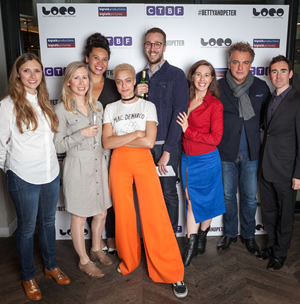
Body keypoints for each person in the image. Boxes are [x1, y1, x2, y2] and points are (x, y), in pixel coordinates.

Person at [102, 63, 188, 298]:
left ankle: (171, 271)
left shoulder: (148, 106)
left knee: (155, 214)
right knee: (124, 215)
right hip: (118, 164)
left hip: (143, 160)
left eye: (127, 80)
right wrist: (136, 134)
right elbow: (107, 143)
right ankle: (129, 260)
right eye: (118, 81)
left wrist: (121, 138)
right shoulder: (110, 108)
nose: (123, 85)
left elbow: (149, 142)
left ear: (135, 81)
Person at [0, 53, 70, 301]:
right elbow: (1, 144)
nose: (32, 76)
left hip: (50, 173)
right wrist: (10, 170)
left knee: (48, 223)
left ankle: (51, 267)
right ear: (18, 74)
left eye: (37, 71)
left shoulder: (44, 102)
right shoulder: (8, 105)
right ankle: (28, 276)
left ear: (42, 75)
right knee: (27, 228)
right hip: (23, 176)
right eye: (27, 71)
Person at [54, 61, 112, 279]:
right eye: (76, 78)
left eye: (84, 77)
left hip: (98, 165)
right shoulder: (61, 109)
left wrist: (106, 161)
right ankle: (84, 261)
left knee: (102, 212)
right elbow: (58, 145)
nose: (81, 82)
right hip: (77, 167)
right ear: (68, 82)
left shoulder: (98, 106)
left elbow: (105, 139)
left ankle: (96, 249)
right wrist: (81, 134)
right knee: (79, 217)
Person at [217, 42, 270, 254]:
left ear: (251, 64)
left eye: (245, 63)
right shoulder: (218, 87)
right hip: (225, 153)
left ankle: (248, 236)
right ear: (229, 63)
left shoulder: (261, 88)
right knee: (228, 197)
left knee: (249, 198)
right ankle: (229, 233)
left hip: (252, 154)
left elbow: (269, 120)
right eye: (236, 62)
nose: (240, 67)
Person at [135, 27, 189, 233]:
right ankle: (153, 236)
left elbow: (179, 115)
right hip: (143, 147)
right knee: (147, 194)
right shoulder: (139, 76)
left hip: (167, 147)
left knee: (168, 193)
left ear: (164, 47)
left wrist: (167, 151)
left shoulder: (176, 75)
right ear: (144, 47)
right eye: (149, 43)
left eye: (157, 44)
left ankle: (170, 238)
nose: (153, 48)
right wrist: (133, 93)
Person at [177, 60, 225, 267]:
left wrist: (189, 130)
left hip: (207, 160)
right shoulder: (184, 100)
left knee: (205, 202)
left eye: (207, 75)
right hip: (187, 159)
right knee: (191, 201)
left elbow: (216, 139)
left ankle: (196, 243)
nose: (202, 79)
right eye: (198, 74)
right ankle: (197, 242)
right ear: (192, 76)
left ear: (212, 79)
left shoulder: (215, 104)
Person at [258, 55, 300, 271]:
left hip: (286, 170)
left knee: (284, 215)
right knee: (269, 211)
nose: (278, 75)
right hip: (266, 167)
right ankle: (272, 245)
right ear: (269, 75)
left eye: (283, 71)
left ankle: (281, 253)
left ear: (290, 74)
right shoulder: (270, 98)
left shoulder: (297, 101)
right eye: (274, 71)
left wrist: (298, 174)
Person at [84, 32, 120, 255]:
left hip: (110, 149)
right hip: (85, 150)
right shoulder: (78, 82)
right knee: (90, 195)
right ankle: (96, 239)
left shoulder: (113, 86)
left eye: (104, 59)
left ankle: (112, 236)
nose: (100, 63)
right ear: (87, 59)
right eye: (96, 58)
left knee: (111, 194)